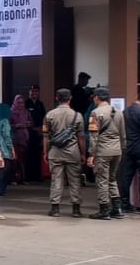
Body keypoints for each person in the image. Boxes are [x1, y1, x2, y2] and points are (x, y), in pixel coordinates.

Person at [44, 88, 85, 218]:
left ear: (57, 98)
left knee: (56, 179)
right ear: (70, 98)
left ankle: (55, 208)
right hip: (73, 152)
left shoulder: (49, 115)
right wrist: (83, 153)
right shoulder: (77, 116)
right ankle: (76, 209)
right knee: (74, 180)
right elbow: (81, 137)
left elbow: (45, 136)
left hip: (55, 152)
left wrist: (45, 152)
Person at [87, 88, 125, 220]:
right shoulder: (119, 112)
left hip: (103, 150)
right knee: (112, 179)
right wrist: (122, 148)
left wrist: (91, 154)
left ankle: (104, 210)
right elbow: (122, 134)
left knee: (102, 180)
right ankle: (117, 208)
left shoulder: (95, 113)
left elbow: (93, 136)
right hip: (117, 150)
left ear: (97, 97)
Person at [0, 101, 15, 196]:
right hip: (3, 149)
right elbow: (7, 136)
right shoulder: (4, 121)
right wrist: (11, 148)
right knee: (4, 170)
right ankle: (0, 189)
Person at [24, 86, 47, 182]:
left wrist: (41, 129)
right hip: (29, 133)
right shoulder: (26, 103)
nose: (34, 93)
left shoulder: (40, 104)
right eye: (32, 91)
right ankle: (28, 176)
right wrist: (32, 128)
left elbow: (44, 118)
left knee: (37, 155)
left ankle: (37, 176)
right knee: (29, 155)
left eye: (36, 91)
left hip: (38, 133)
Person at [10, 95, 31, 184]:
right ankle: (14, 178)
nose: (21, 105)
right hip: (15, 137)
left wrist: (28, 124)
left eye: (22, 103)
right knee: (15, 159)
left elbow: (31, 122)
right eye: (19, 103)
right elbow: (8, 125)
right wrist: (17, 125)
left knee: (23, 159)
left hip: (24, 137)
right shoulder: (11, 112)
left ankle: (23, 178)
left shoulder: (26, 112)